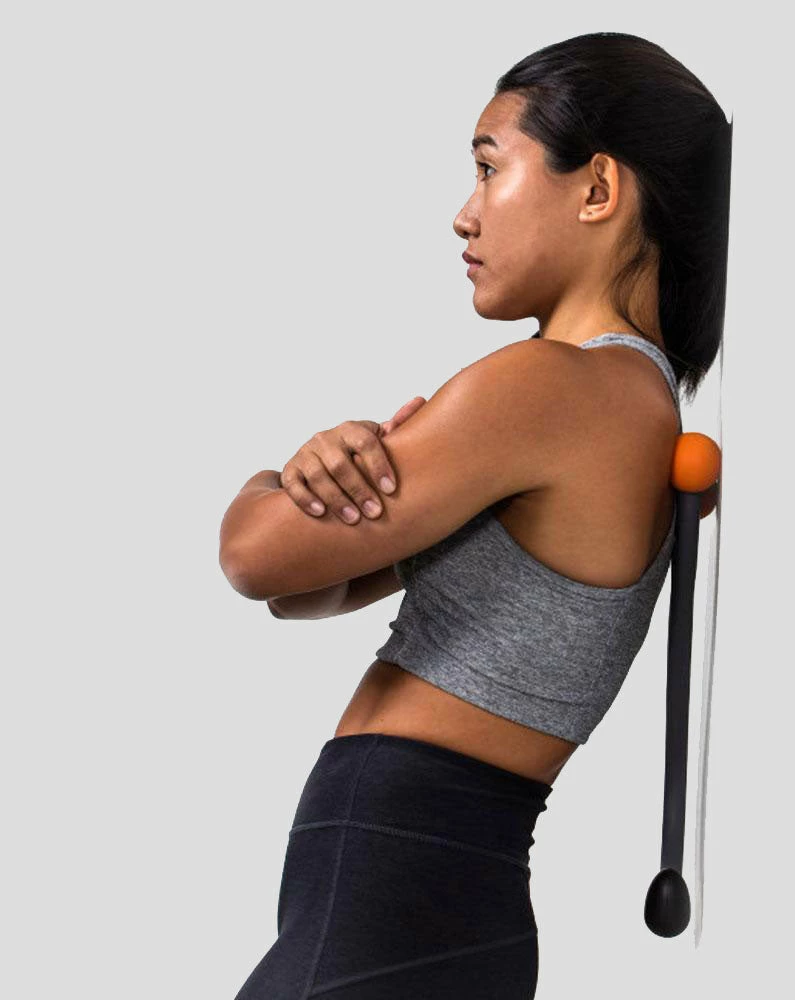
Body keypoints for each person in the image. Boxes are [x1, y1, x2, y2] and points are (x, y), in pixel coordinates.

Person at [220, 30, 731, 1000]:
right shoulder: (624, 400)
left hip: (396, 894)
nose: (464, 214)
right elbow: (308, 590)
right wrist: (323, 479)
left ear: (597, 189)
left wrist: (270, 478)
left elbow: (255, 558)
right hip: (426, 894)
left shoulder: (552, 386)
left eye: (490, 168)